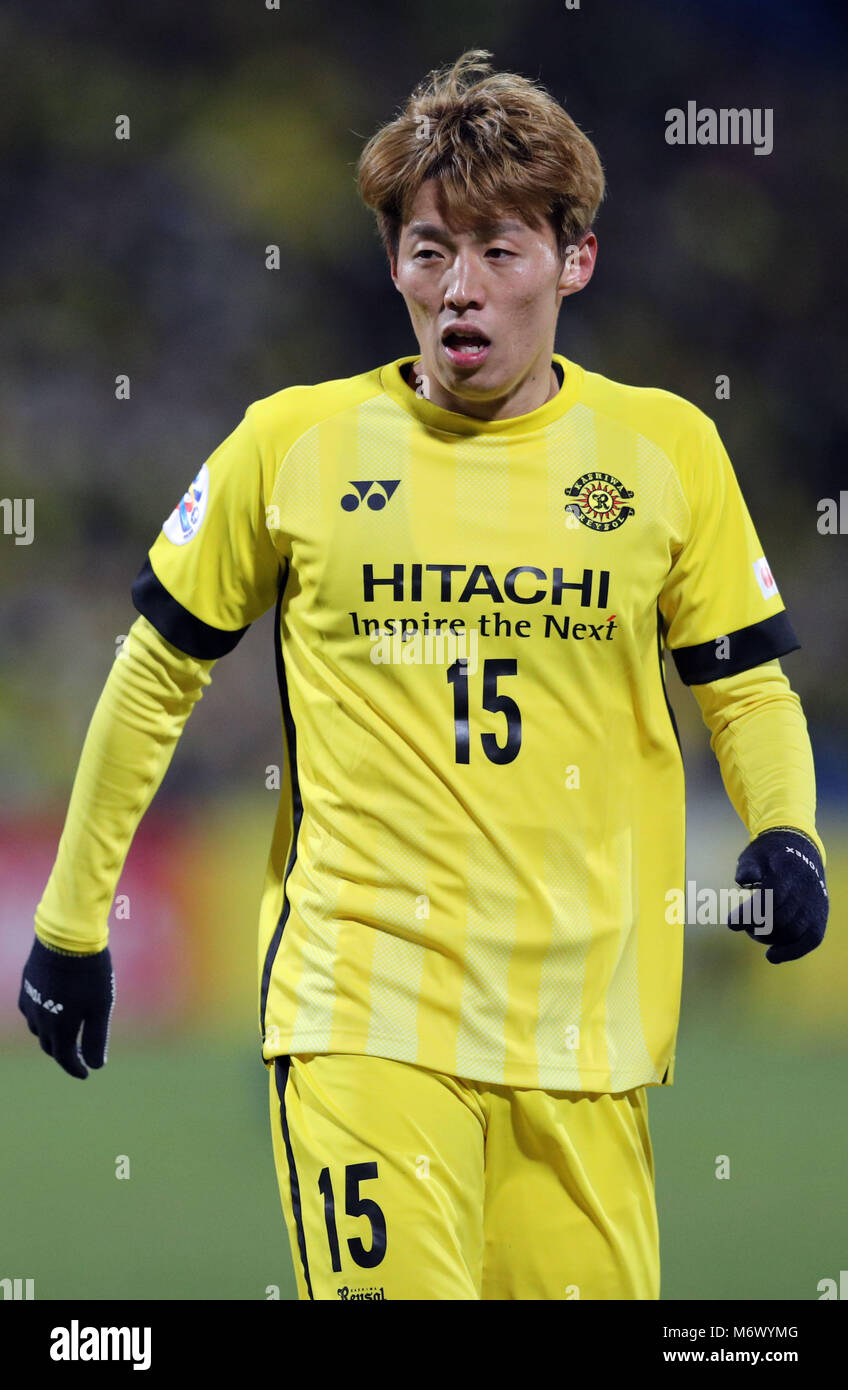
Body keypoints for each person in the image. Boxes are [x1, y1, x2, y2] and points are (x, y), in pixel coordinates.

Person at [20, 49, 828, 1301]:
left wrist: (786, 831)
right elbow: (152, 676)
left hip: (587, 1040)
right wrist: (70, 926)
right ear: (393, 265)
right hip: (365, 1011)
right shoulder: (290, 443)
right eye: (427, 251)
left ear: (575, 261)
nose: (460, 289)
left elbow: (744, 688)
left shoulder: (666, 453)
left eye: (499, 250)